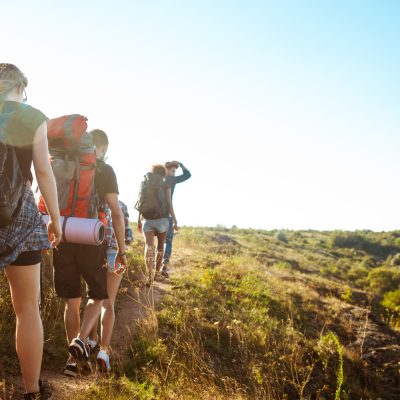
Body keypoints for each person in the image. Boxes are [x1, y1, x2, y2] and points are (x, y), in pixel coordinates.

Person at [0, 64, 62, 399]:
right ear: (21, 88)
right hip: (21, 217)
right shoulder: (32, 116)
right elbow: (43, 172)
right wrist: (54, 217)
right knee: (27, 309)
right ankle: (31, 391)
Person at [53, 129, 127, 376]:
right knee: (98, 295)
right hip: (90, 236)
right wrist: (122, 249)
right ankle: (81, 340)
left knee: (71, 302)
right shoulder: (105, 170)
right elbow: (116, 212)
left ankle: (72, 362)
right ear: (103, 148)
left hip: (63, 234)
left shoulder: (64, 164)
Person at [87, 200, 133, 371]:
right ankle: (103, 352)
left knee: (94, 297)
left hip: (93, 253)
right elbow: (128, 236)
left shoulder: (91, 200)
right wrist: (122, 252)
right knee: (109, 303)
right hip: (115, 253)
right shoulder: (121, 205)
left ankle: (91, 339)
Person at [137, 164, 177, 283]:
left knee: (148, 247)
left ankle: (149, 275)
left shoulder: (145, 183)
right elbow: (169, 204)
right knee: (160, 247)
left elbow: (140, 202)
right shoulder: (166, 185)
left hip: (147, 219)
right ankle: (157, 273)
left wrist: (139, 219)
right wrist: (175, 220)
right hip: (162, 220)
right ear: (164, 174)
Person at [162, 161, 191, 276]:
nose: (174, 174)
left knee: (158, 242)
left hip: (154, 215)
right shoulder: (170, 180)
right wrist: (182, 164)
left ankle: (153, 268)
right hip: (166, 215)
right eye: (173, 171)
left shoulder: (158, 180)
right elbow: (188, 175)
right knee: (168, 241)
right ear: (167, 170)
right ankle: (164, 266)